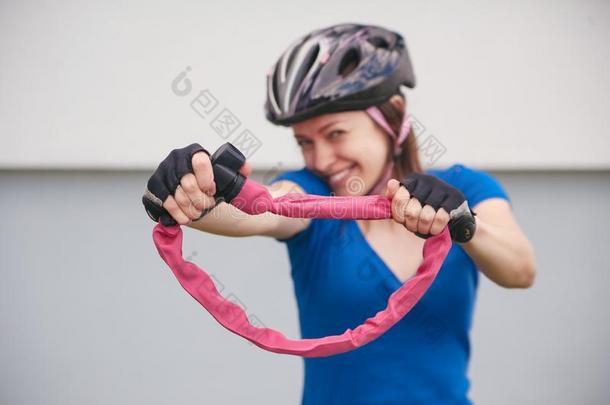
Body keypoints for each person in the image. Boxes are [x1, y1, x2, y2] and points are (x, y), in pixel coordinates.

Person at [143, 23, 536, 405]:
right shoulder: (311, 191)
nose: (322, 159)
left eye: (335, 134)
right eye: (304, 142)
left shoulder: (466, 187)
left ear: (393, 115)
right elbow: (261, 211)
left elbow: (520, 270)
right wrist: (195, 194)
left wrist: (463, 222)